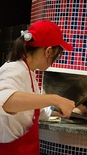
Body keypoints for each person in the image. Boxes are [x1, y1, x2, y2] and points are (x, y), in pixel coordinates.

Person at [0, 20, 76, 155]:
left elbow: (36, 109)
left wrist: (75, 111)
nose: (55, 61)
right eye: (57, 56)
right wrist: (55, 99)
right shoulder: (14, 69)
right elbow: (5, 101)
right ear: (48, 51)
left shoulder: (30, 72)